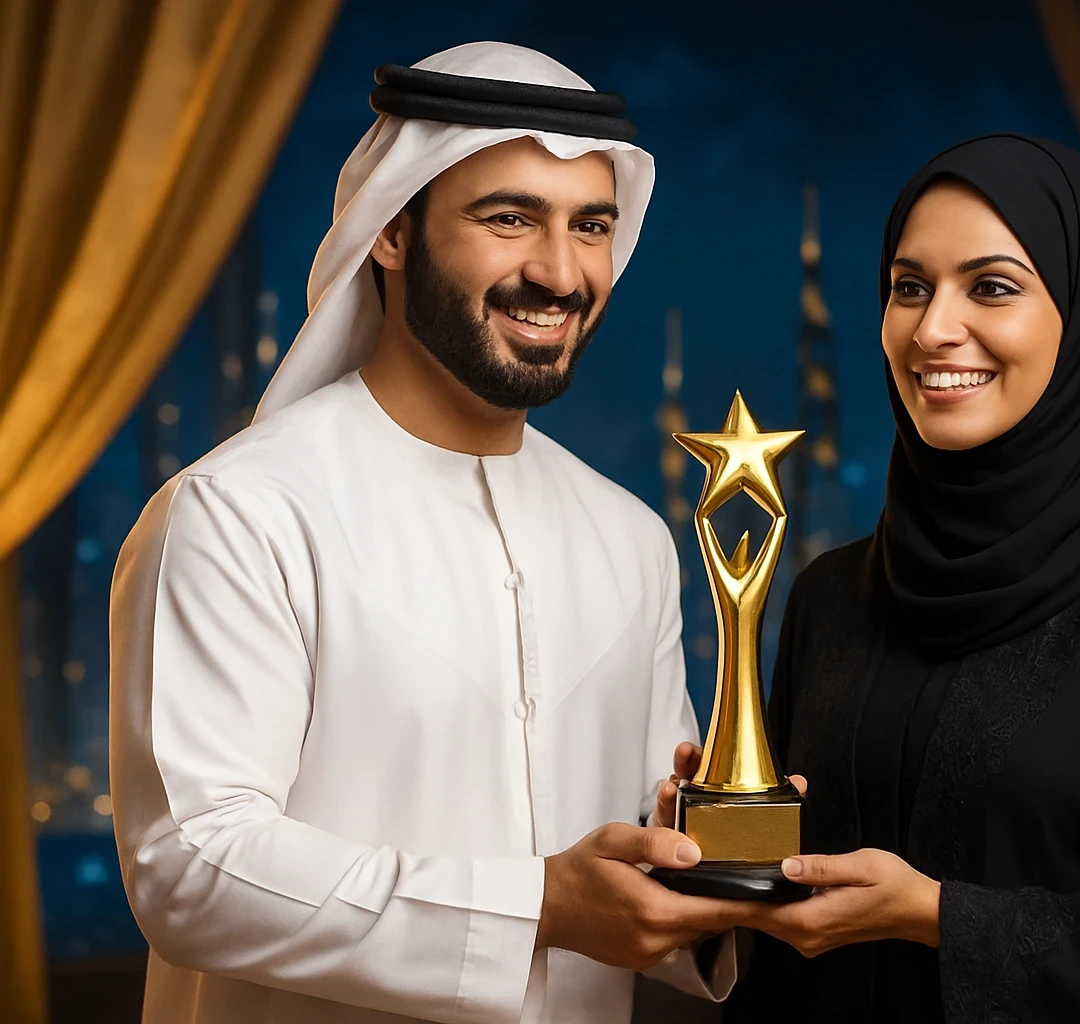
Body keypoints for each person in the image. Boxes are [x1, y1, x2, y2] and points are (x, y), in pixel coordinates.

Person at [109, 43, 750, 1024]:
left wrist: (701, 864)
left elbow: (623, 886)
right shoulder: (240, 513)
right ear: (392, 231)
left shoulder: (629, 538)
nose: (560, 272)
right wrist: (535, 905)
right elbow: (192, 866)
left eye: (592, 226)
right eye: (509, 218)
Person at [717, 135, 1080, 1022]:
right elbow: (779, 930)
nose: (932, 329)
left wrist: (943, 920)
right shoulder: (830, 595)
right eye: (908, 287)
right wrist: (714, 846)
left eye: (991, 287)